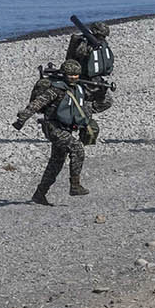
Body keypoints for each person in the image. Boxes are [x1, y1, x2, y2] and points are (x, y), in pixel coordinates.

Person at [14, 59, 96, 204]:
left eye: (76, 75)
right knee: (77, 149)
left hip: (66, 129)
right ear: (64, 74)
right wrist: (22, 119)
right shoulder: (55, 90)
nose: (74, 78)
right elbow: (37, 103)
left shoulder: (78, 89)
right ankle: (75, 186)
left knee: (56, 163)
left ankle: (39, 194)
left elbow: (92, 104)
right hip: (53, 128)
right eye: (70, 75)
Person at [66, 19, 116, 112]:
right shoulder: (83, 42)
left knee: (107, 101)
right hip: (84, 78)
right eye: (101, 36)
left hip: (96, 78)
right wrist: (87, 48)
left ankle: (86, 111)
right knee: (86, 102)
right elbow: (76, 56)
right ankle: (82, 113)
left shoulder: (102, 44)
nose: (103, 38)